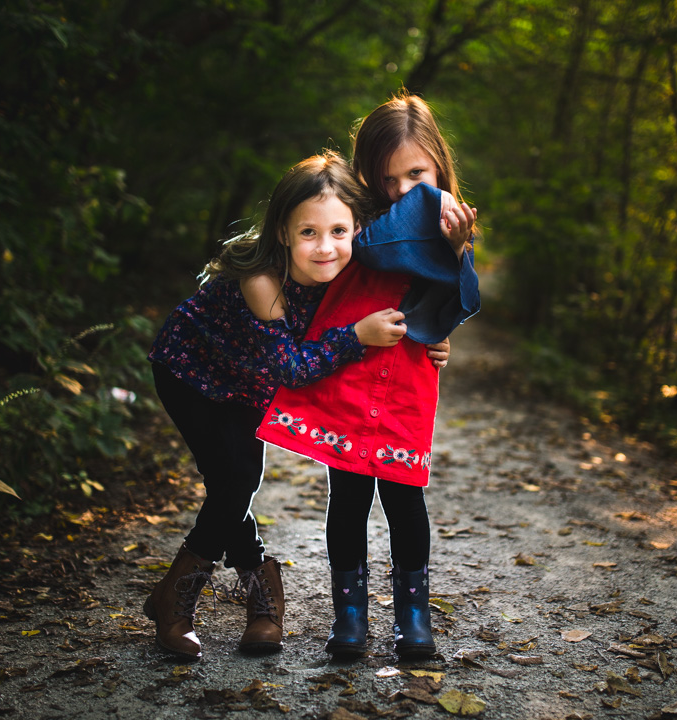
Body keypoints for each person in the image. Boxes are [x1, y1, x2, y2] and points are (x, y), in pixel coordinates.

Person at [143, 151, 455, 661]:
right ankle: (180, 601)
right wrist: (357, 336)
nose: (326, 247)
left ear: (358, 228)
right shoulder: (262, 277)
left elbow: (418, 280)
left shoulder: (355, 265)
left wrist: (436, 337)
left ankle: (253, 603)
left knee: (232, 482)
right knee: (236, 480)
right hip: (192, 373)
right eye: (308, 233)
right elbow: (291, 367)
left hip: (249, 384)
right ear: (284, 233)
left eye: (338, 231)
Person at [256, 91, 478, 659]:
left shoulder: (449, 224)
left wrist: (457, 253)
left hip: (404, 381)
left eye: (416, 173)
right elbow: (364, 254)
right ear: (366, 176)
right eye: (387, 178)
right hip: (350, 378)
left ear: (439, 166)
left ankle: (414, 618)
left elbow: (456, 304)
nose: (404, 190)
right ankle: (349, 618)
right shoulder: (358, 222)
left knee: (406, 502)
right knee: (349, 499)